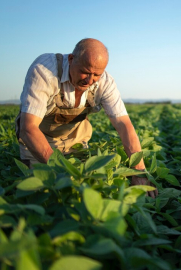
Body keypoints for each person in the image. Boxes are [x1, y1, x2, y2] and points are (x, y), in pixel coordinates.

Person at [15, 38, 158, 198]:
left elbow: (124, 125)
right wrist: (63, 171)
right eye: (85, 71)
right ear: (71, 59)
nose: (89, 80)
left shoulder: (105, 82)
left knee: (92, 190)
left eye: (96, 74)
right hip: (38, 142)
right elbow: (28, 129)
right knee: (44, 192)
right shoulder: (45, 71)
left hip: (76, 141)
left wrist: (138, 172)